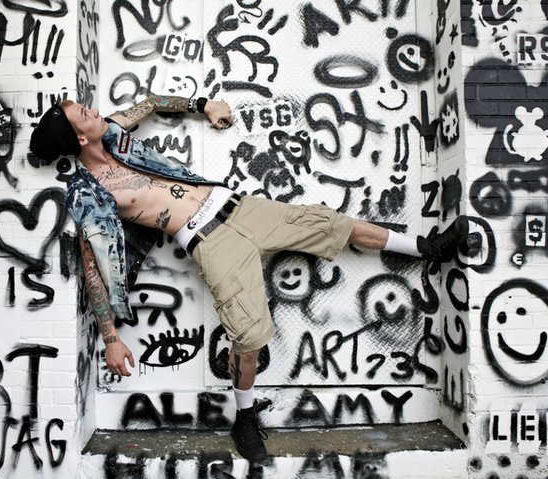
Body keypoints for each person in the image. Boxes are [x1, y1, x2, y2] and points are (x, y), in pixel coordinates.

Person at [29, 96, 469, 462]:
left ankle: (428, 248)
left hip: (241, 208)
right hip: (210, 240)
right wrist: (110, 338)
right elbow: (93, 263)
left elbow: (150, 103)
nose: (94, 110)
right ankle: (244, 417)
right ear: (80, 138)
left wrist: (203, 105)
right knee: (248, 334)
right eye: (84, 114)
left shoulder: (113, 131)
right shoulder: (90, 193)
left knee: (328, 223)